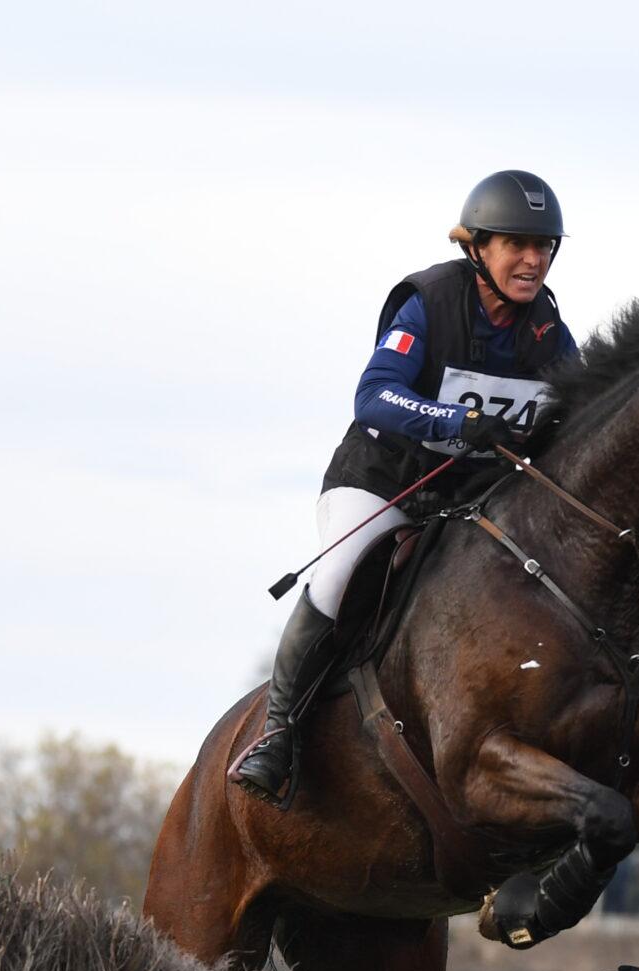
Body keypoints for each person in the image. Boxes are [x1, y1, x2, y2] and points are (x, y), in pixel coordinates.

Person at [228, 170, 580, 806]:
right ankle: (278, 733)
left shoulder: (548, 334)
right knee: (339, 575)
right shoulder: (430, 302)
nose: (534, 260)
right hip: (383, 481)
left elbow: (579, 419)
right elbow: (374, 395)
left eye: (544, 246)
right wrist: (456, 421)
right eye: (517, 245)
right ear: (477, 248)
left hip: (468, 498)